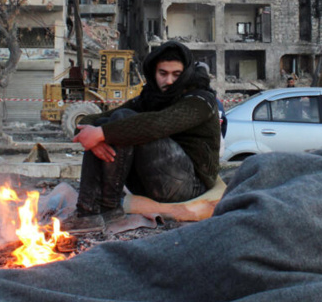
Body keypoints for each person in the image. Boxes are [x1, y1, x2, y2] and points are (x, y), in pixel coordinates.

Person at [64, 41, 221, 232]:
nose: (169, 81)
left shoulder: (201, 100)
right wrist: (90, 136)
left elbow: (159, 123)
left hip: (190, 184)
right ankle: (89, 211)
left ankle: (106, 208)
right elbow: (97, 117)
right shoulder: (150, 97)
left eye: (176, 74)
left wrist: (100, 134)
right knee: (114, 121)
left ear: (186, 74)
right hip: (152, 181)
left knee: (125, 122)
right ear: (154, 74)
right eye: (163, 74)